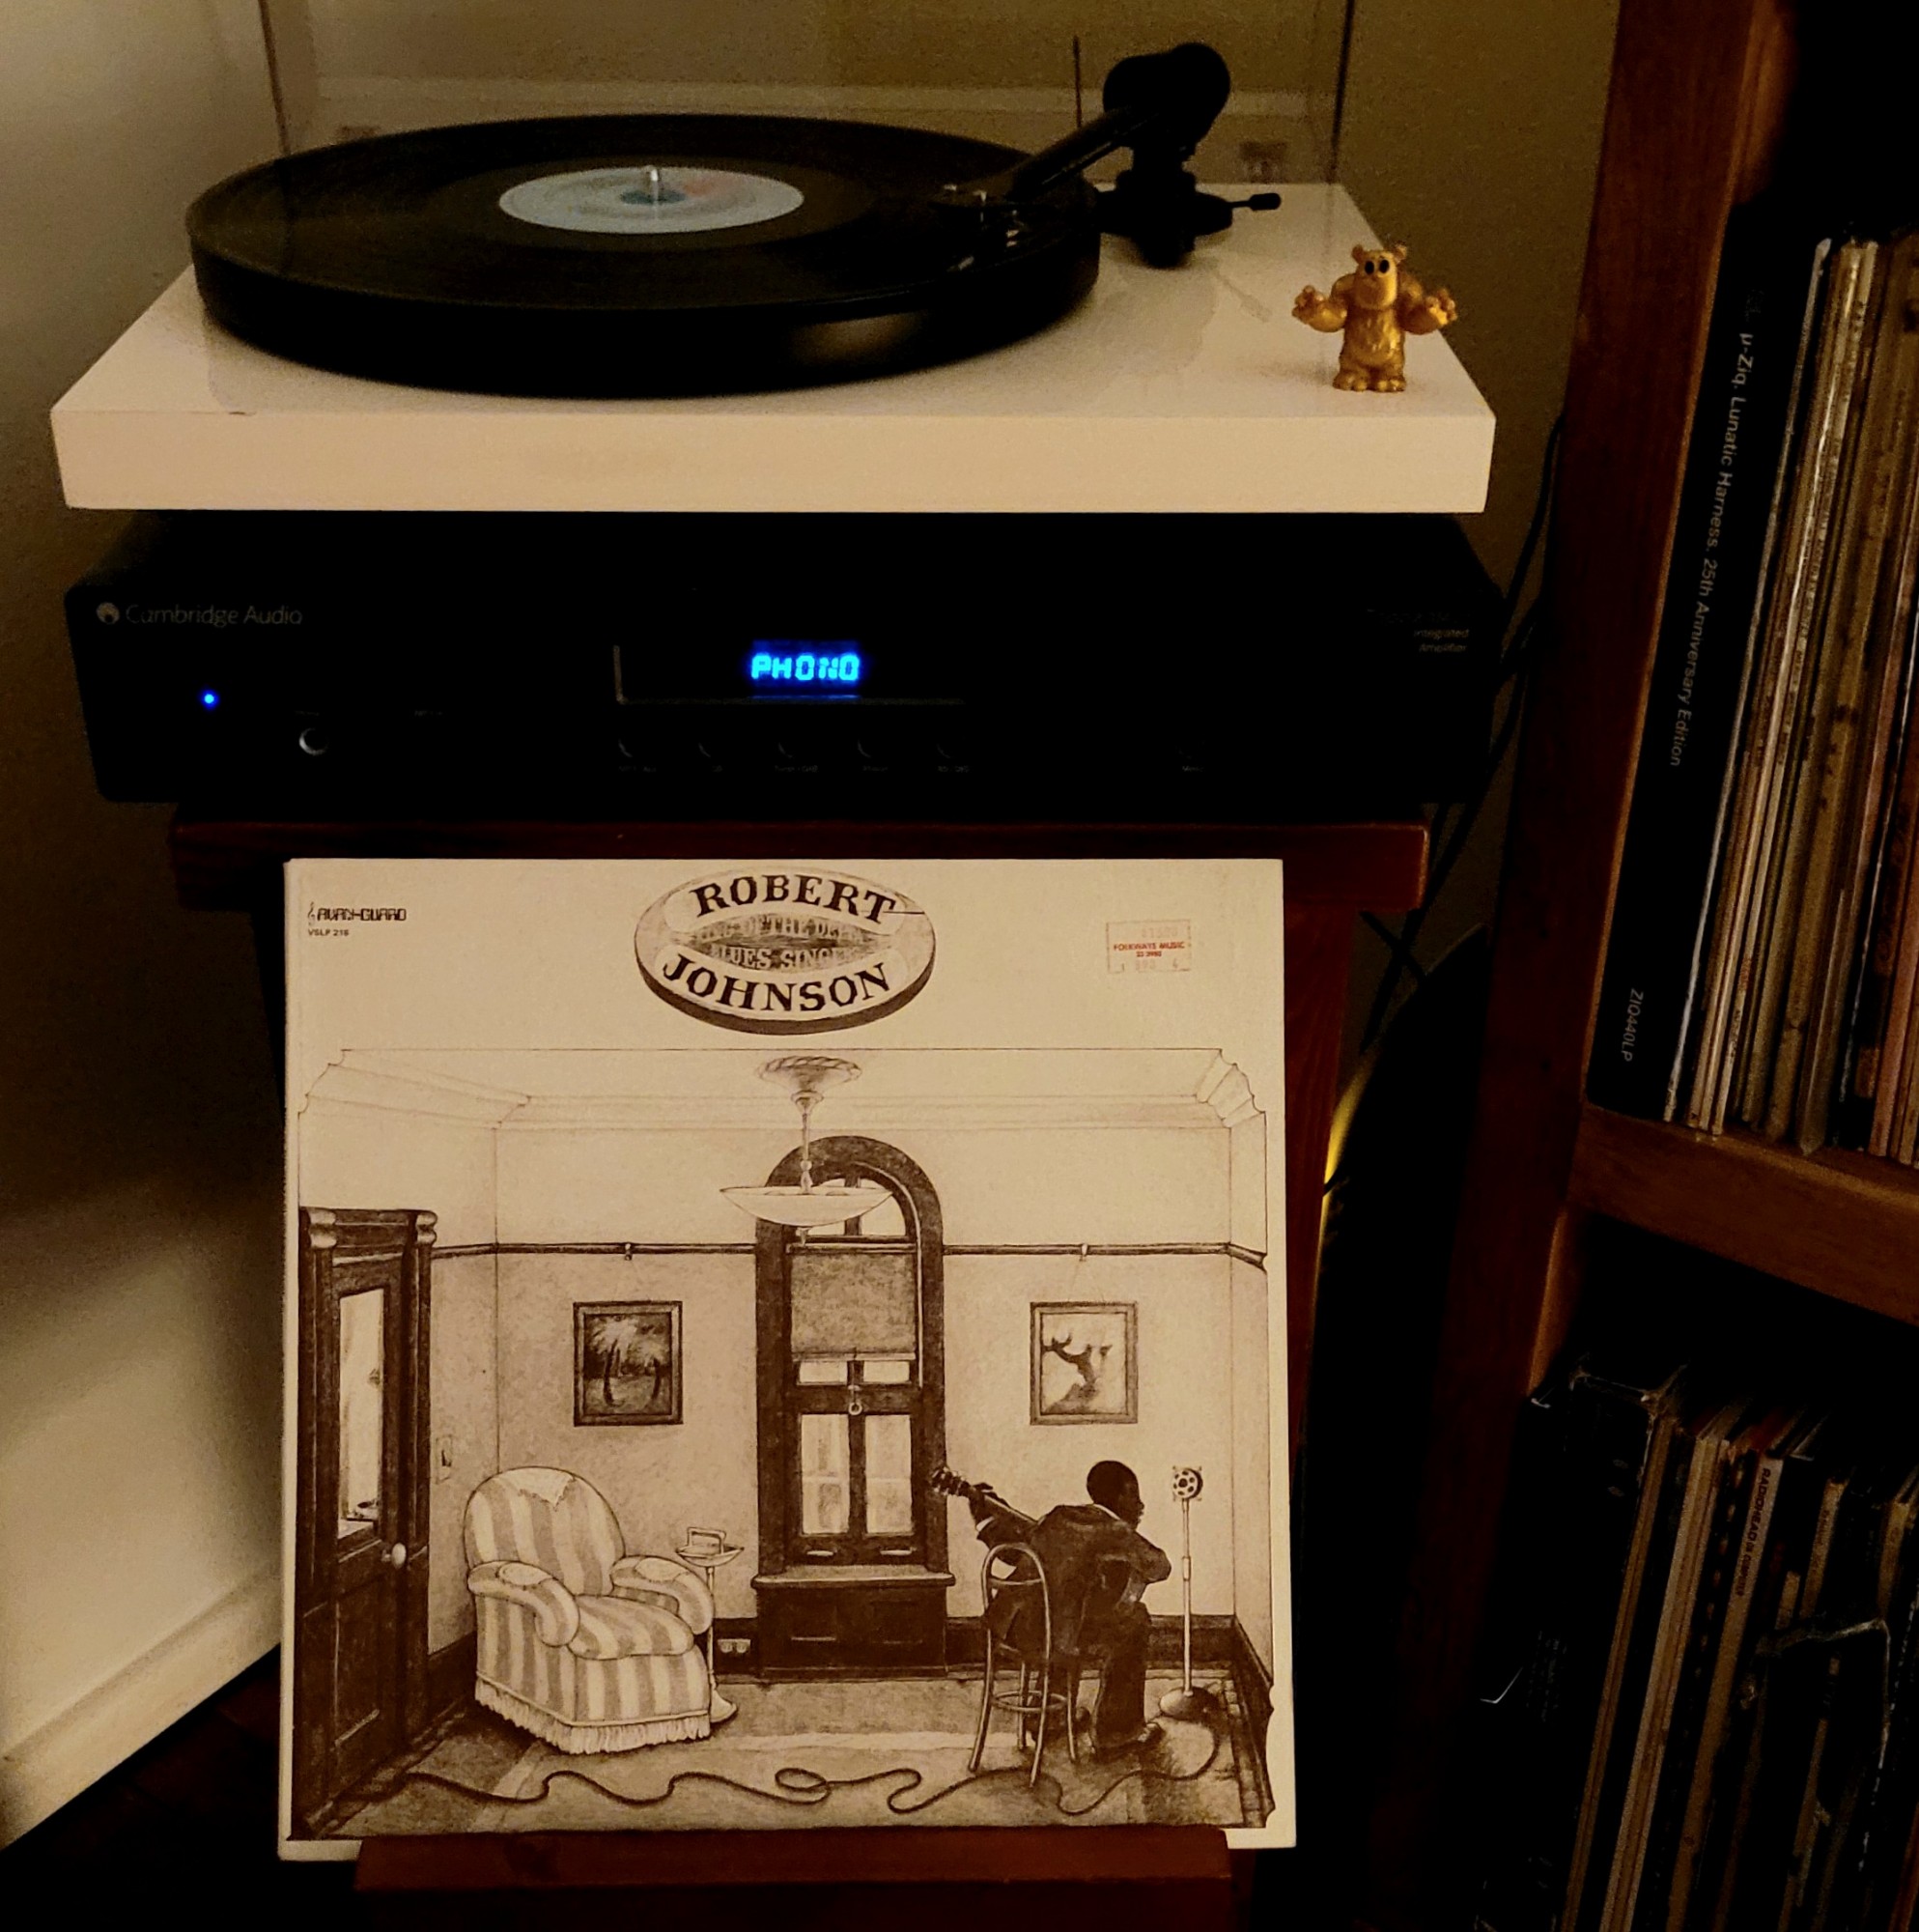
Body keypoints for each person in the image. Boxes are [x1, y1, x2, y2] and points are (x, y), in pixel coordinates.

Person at [969, 1459, 1172, 1755]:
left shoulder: (1058, 1516)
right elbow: (1160, 1566)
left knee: (1070, 1608)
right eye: (1134, 1495)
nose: (1140, 1505)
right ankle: (1118, 1734)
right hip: (1055, 1639)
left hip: (1014, 1630)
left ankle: (1050, 1717)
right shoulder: (1114, 1530)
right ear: (1118, 1497)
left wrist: (985, 1511)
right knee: (1135, 1620)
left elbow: (1013, 1554)